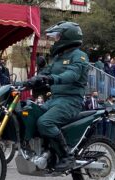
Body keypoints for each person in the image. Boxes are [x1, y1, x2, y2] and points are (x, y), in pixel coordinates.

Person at [22, 21, 89, 171]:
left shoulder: (80, 56)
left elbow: (72, 74)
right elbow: (46, 72)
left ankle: (67, 156)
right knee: (31, 114)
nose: (55, 40)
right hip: (55, 100)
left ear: (67, 37)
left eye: (57, 37)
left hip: (70, 101)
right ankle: (45, 151)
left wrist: (53, 78)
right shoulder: (58, 58)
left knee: (45, 123)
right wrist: (25, 83)